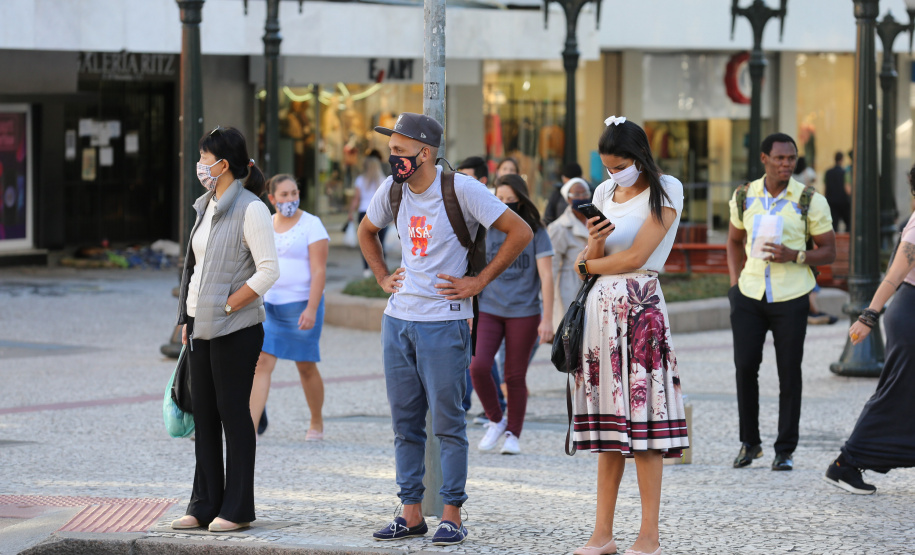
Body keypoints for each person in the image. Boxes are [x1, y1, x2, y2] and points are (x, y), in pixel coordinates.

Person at [358, 113, 532, 546]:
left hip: (444, 323)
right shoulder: (393, 189)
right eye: (391, 149)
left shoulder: (461, 189)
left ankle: (451, 513)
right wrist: (383, 277)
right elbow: (366, 231)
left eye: (400, 151)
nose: (393, 157)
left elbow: (520, 231)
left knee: (449, 424)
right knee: (405, 423)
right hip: (398, 321)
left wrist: (478, 282)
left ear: (426, 152)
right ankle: (411, 512)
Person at [570, 116, 688, 555]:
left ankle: (648, 535)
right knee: (607, 429)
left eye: (619, 165)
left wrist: (586, 266)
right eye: (606, 165)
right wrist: (593, 249)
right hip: (601, 310)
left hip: (640, 305)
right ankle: (602, 534)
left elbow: (640, 254)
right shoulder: (602, 193)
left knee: (645, 425)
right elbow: (593, 255)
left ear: (638, 158)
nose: (611, 173)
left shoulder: (667, 188)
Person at [171, 126, 279, 533]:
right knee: (205, 415)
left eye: (205, 159)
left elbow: (269, 270)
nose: (201, 166)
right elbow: (193, 267)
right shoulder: (206, 205)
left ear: (224, 164)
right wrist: (186, 316)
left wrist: (229, 304)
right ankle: (203, 504)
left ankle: (236, 509)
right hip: (200, 326)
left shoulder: (252, 209)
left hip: (236, 328)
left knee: (234, 415)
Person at [726, 133, 836, 472]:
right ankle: (750, 444)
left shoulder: (809, 200)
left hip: (791, 296)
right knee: (745, 367)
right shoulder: (745, 195)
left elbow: (829, 250)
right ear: (764, 159)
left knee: (789, 373)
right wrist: (734, 285)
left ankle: (784, 450)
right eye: (780, 158)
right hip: (749, 294)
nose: (787, 164)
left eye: (791, 158)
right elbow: (733, 240)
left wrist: (796, 255)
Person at [823, 166, 915, 495]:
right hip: (910, 317)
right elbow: (893, 276)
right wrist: (868, 317)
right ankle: (844, 464)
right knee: (896, 393)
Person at [470, 174, 554, 456]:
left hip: (524, 313)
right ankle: (496, 419)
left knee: (514, 376)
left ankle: (513, 435)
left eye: (511, 200)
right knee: (477, 366)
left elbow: (546, 277)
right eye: (499, 199)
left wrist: (548, 318)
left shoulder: (537, 232)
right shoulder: (486, 228)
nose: (504, 205)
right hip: (489, 310)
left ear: (522, 199)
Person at [250, 174, 329, 442]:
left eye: (294, 193)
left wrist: (311, 308)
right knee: (262, 362)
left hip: (302, 307)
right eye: (283, 195)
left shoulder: (312, 225)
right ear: (271, 199)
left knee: (305, 366)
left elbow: (319, 271)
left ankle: (316, 422)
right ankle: (249, 429)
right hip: (270, 307)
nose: (290, 199)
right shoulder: (265, 225)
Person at [455, 156, 507, 422]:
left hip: (484, 288)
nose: (462, 183)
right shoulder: (462, 202)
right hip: (467, 285)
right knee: (468, 347)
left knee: (480, 352)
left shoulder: (488, 206)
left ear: (483, 181)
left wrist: (481, 281)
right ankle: (465, 405)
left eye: (468, 177)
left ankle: (495, 405)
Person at [547, 177, 592, 328]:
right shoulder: (559, 227)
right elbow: (551, 264)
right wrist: (549, 299)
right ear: (568, 199)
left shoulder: (595, 219)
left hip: (594, 282)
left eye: (584, 194)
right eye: (576, 195)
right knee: (572, 331)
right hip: (569, 286)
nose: (581, 198)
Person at [349, 156, 388, 276]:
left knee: (365, 242)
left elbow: (356, 199)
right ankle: (382, 271)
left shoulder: (360, 180)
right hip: (380, 213)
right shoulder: (384, 180)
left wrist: (350, 212)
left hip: (364, 213)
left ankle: (366, 270)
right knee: (380, 243)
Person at [542, 161, 584, 226]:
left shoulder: (591, 192)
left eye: (582, 193)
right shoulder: (557, 193)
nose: (581, 197)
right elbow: (548, 218)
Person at [824, 151, 851, 232]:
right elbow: (847, 188)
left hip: (831, 201)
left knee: (833, 225)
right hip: (843, 202)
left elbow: (825, 187)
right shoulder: (844, 172)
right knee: (848, 223)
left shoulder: (828, 172)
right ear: (842, 159)